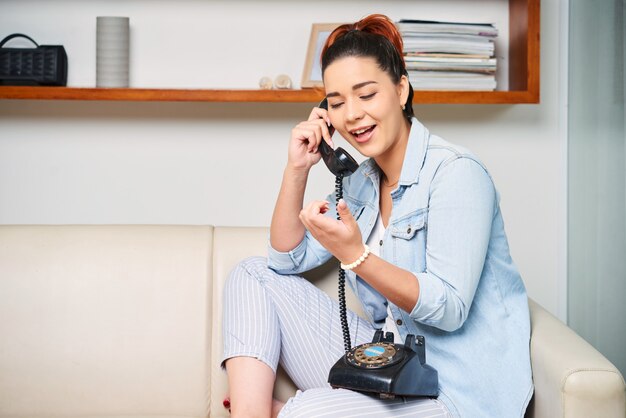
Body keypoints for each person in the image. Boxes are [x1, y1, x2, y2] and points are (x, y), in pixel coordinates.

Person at [221, 13, 533, 418]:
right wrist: (297, 169)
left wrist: (357, 257)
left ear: (401, 90)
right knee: (252, 273)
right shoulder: (362, 180)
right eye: (336, 103)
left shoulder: (456, 174)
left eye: (366, 95)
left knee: (305, 412)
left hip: (455, 393)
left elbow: (449, 307)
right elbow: (285, 260)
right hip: (390, 365)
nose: (351, 115)